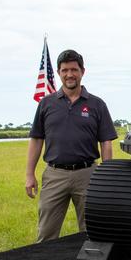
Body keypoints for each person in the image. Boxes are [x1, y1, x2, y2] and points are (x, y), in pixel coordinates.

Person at [25, 49, 117, 242]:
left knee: (93, 231)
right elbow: (36, 139)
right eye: (65, 70)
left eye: (74, 69)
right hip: (54, 175)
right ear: (58, 72)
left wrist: (107, 177)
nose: (69, 74)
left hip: (88, 175)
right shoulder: (46, 104)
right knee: (46, 233)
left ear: (83, 71)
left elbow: (106, 143)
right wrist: (29, 174)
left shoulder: (97, 105)